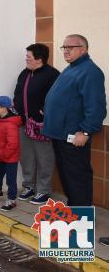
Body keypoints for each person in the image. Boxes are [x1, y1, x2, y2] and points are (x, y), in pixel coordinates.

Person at [43, 34, 106, 206]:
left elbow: (96, 107)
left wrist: (85, 131)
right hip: (61, 136)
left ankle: (81, 223)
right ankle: (75, 220)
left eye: (71, 47)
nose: (66, 51)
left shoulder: (90, 71)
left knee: (78, 180)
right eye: (64, 47)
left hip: (74, 137)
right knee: (69, 181)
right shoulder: (72, 68)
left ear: (83, 49)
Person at [12, 44, 59, 205]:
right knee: (26, 157)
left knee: (44, 158)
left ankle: (44, 191)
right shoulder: (24, 73)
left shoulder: (52, 75)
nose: (26, 59)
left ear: (39, 59)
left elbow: (57, 99)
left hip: (41, 125)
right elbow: (17, 93)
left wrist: (45, 112)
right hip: (23, 123)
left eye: (29, 57)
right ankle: (29, 187)